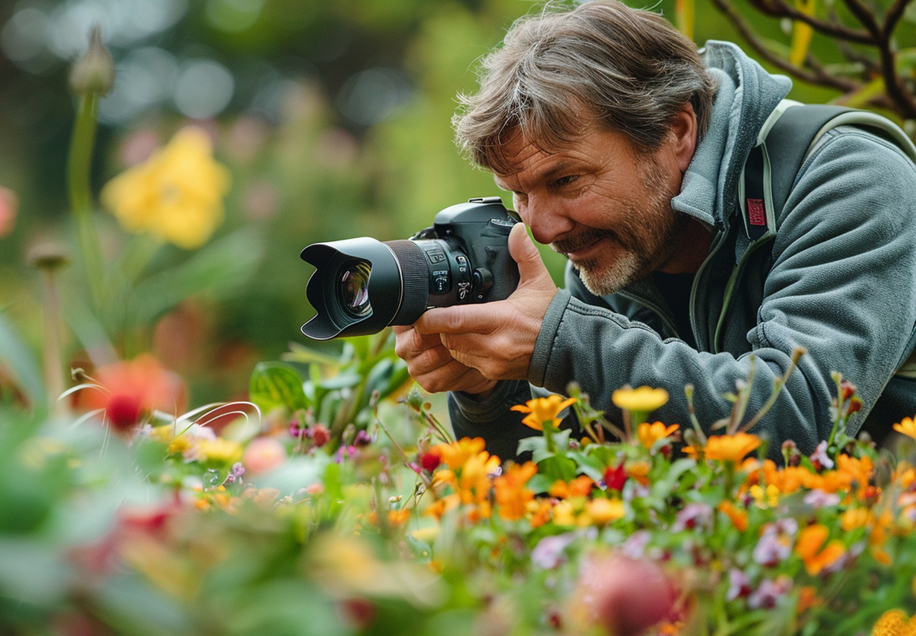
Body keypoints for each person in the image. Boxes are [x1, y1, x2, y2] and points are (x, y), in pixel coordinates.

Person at [392, 0, 916, 462]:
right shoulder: (618, 243)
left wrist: (563, 342)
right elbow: (583, 475)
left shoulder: (851, 180)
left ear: (677, 132)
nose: (544, 229)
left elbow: (798, 419)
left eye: (567, 179)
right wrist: (489, 395)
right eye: (521, 193)